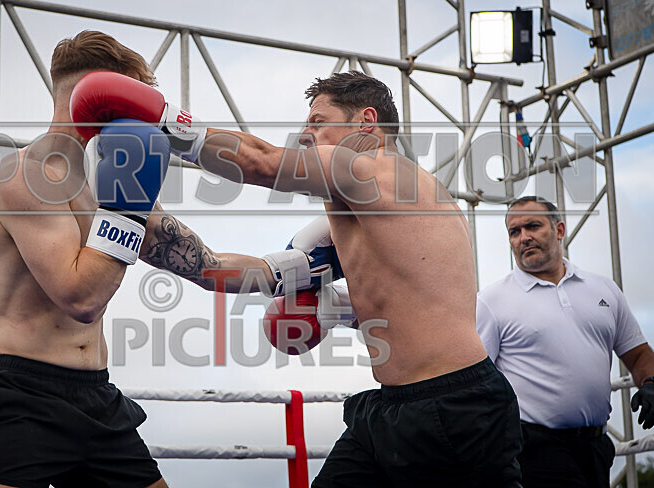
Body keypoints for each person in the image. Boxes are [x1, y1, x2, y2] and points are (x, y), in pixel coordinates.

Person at [69, 70, 524, 486]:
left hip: (457, 406)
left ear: (366, 122)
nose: (305, 134)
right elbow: (234, 272)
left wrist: (163, 119)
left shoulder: (379, 171)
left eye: (318, 120)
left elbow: (261, 161)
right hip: (390, 409)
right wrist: (133, 216)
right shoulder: (350, 219)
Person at [0, 30, 303, 488]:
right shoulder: (25, 176)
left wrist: (297, 271)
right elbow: (81, 297)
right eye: (133, 101)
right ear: (103, 97)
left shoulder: (108, 186)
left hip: (96, 397)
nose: (141, 118)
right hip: (23, 397)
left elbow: (204, 265)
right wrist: (127, 208)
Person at [475, 196, 654, 488]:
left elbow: (638, 354)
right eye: (514, 232)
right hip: (533, 449)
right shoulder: (491, 302)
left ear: (559, 229)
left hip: (596, 447)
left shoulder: (603, 289)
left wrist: (651, 383)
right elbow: (474, 379)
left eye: (532, 226)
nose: (524, 238)